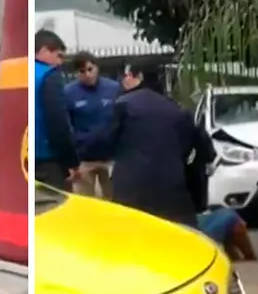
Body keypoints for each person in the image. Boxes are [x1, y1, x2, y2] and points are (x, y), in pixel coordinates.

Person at [82, 65, 215, 225]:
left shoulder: (123, 104)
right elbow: (206, 150)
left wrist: (77, 157)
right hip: (173, 195)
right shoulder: (177, 110)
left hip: (131, 194)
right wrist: (188, 168)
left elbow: (103, 140)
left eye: (127, 74)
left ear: (139, 77)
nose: (123, 80)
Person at [64, 51, 120, 198]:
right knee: (84, 204)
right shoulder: (68, 93)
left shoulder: (114, 89)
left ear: (97, 68)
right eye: (82, 71)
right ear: (76, 73)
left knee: (114, 202)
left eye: (90, 69)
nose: (88, 75)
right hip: (84, 160)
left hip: (111, 157)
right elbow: (65, 125)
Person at [33, 30, 80, 191]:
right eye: (58, 56)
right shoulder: (49, 76)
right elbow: (58, 123)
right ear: (44, 51)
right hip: (48, 162)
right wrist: (71, 162)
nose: (60, 63)